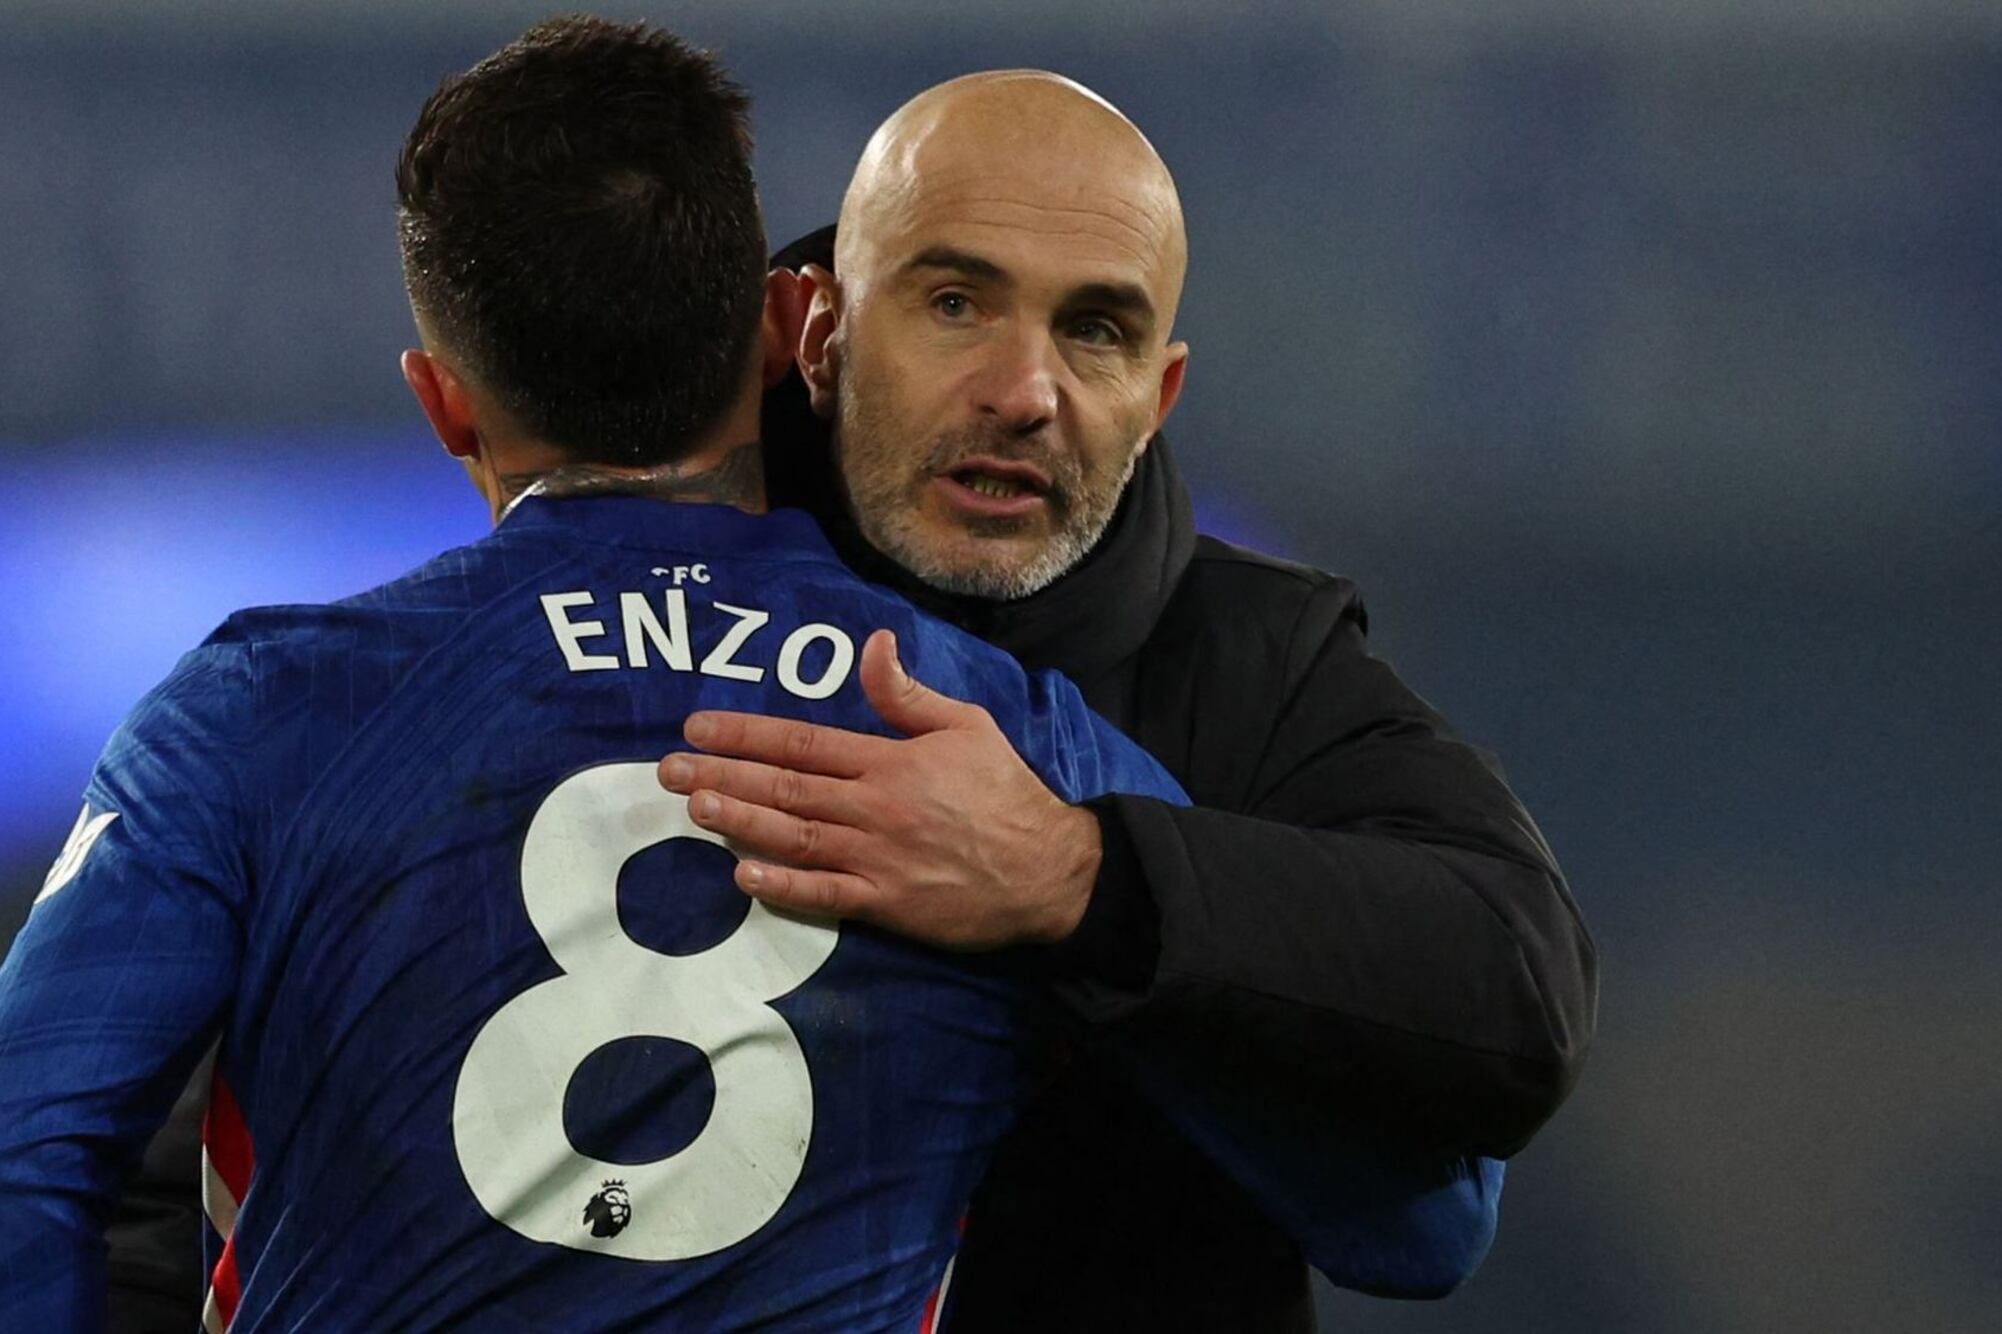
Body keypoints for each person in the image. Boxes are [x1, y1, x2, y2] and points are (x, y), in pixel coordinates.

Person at [0, 22, 1202, 1331]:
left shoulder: (257, 712)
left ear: (443, 404)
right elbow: (1357, 1166)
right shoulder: (1005, 749)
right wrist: (1086, 878)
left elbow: (25, 1152)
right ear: (781, 333)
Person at [658, 72, 1600, 1332]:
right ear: (820, 334)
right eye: (955, 303)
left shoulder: (1255, 658)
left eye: (1094, 330)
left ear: (1156, 400)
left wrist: (1075, 875)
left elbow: (1519, 993)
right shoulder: (634, 616)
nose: (1023, 392)